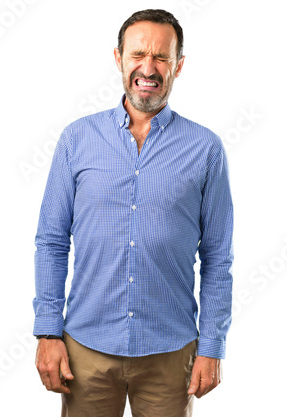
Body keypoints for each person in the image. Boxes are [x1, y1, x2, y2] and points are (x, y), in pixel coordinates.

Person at [33, 9, 233, 416]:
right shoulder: (77, 139)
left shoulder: (206, 149)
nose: (148, 68)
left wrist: (212, 346)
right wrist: (48, 332)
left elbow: (217, 257)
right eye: (138, 54)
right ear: (118, 58)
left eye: (161, 57)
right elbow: (51, 242)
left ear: (178, 65)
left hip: (170, 353)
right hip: (85, 349)